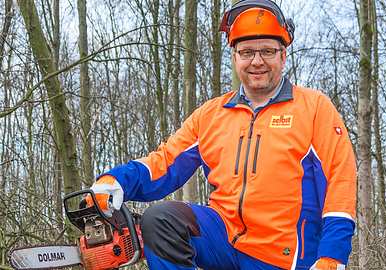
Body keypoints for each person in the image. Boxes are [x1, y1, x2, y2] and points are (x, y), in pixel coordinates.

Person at [89, 0, 356, 269]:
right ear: (235, 56)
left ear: (283, 56)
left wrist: (332, 256)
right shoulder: (211, 115)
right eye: (247, 52)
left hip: (285, 257)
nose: (257, 61)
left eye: (267, 51)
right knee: (160, 220)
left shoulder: (313, 108)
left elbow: (340, 180)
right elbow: (166, 161)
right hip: (223, 240)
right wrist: (117, 180)